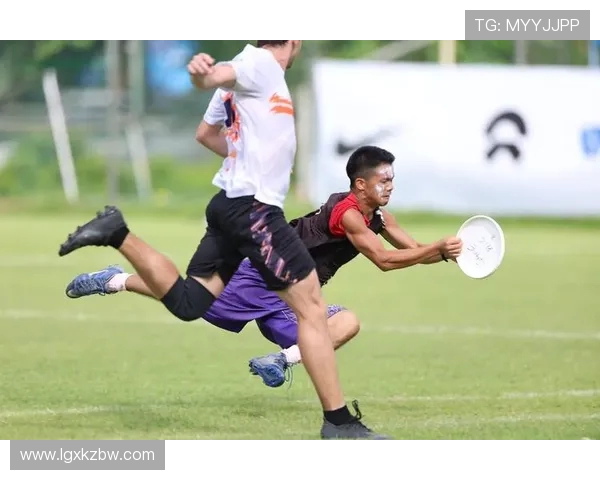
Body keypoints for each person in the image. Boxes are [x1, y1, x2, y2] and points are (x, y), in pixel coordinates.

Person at [57, 41, 390, 440]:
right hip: (256, 211)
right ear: (294, 39)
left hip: (228, 205)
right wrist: (203, 75)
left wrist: (244, 158)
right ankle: (339, 423)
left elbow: (205, 133)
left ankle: (117, 233)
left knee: (189, 303)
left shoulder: (250, 76)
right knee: (313, 311)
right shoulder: (262, 63)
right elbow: (217, 77)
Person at [65, 146, 464, 393]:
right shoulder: (348, 215)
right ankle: (115, 280)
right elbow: (385, 260)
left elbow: (413, 250)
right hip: (262, 277)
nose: (390, 185)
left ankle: (281, 360)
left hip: (293, 298)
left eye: (392, 179)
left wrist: (450, 252)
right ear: (360, 184)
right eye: (383, 179)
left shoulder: (378, 216)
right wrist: (436, 250)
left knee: (347, 323)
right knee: (190, 299)